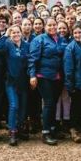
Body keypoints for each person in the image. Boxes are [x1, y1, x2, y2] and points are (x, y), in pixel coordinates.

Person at [28, 18, 66, 146]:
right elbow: (32, 59)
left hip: (57, 76)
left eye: (54, 25)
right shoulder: (39, 40)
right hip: (43, 75)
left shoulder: (60, 39)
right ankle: (45, 133)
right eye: (49, 25)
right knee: (49, 103)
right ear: (45, 27)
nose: (52, 27)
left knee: (53, 103)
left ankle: (52, 128)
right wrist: (32, 75)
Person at [0, 24, 31, 146]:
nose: (16, 34)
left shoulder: (27, 45)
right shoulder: (7, 44)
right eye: (13, 32)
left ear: (21, 33)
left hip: (24, 81)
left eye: (17, 32)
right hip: (11, 81)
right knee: (14, 105)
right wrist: (5, 35)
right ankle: (12, 132)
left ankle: (19, 128)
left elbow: (31, 61)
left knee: (23, 108)